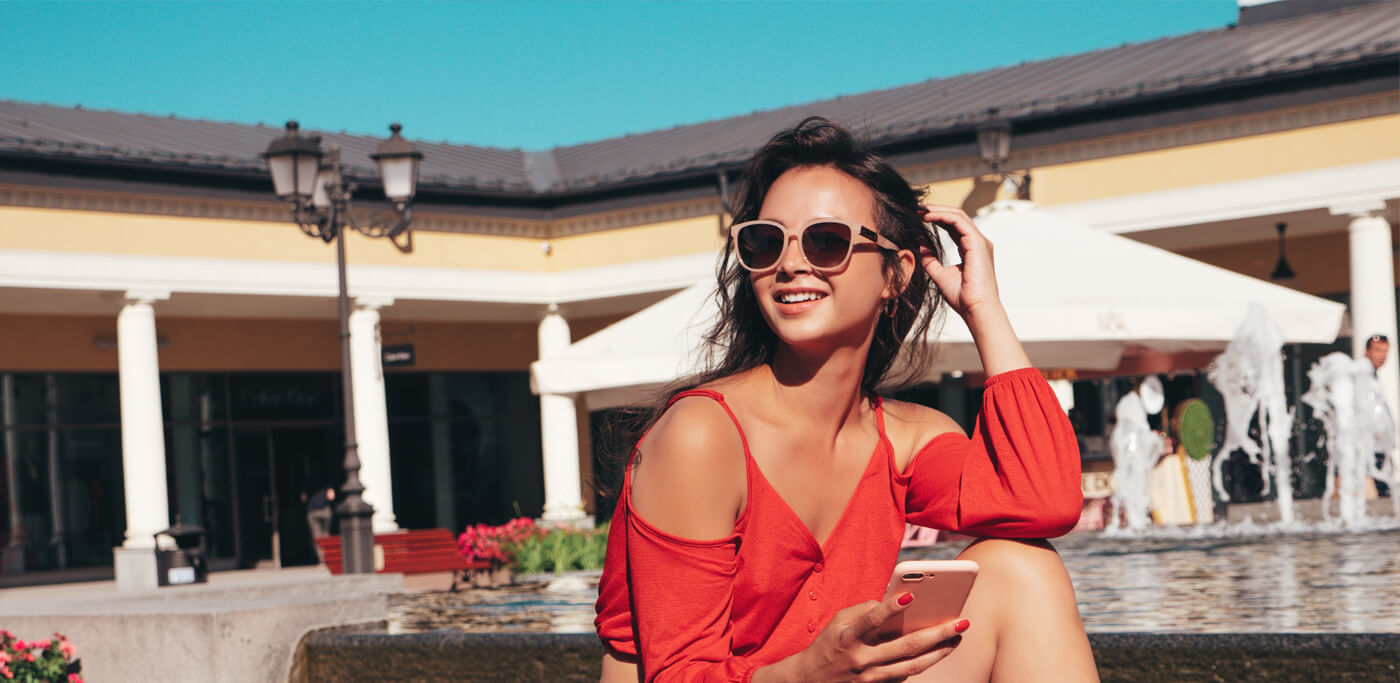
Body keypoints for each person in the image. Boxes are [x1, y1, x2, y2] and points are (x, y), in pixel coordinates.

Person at [594, 118, 1096, 682]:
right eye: (764, 241)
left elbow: (1044, 503)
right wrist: (808, 673)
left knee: (1024, 568)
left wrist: (985, 312)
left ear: (896, 275)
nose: (789, 264)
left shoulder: (906, 439)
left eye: (825, 240)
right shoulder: (703, 434)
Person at [1363, 333, 1392, 496]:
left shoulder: (1374, 376)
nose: (1383, 355)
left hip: (1380, 447)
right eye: (1378, 350)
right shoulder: (1361, 375)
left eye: (1385, 351)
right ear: (1367, 351)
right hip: (1369, 447)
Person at [304, 485, 335, 562]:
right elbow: (331, 497)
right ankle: (328, 558)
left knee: (317, 537)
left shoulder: (305, 484)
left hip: (312, 511)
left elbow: (303, 498)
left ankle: (323, 559)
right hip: (324, 510)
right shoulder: (326, 481)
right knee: (325, 534)